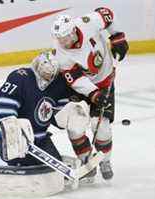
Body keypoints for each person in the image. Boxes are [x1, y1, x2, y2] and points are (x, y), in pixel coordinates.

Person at [0, 51, 93, 199]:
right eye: (44, 71)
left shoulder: (58, 85)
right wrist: (11, 126)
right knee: (35, 174)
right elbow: (4, 101)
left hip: (40, 141)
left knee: (53, 173)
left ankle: (26, 168)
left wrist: (72, 113)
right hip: (10, 140)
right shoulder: (20, 77)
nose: (46, 76)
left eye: (50, 74)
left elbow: (57, 117)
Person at [51, 7, 129, 180]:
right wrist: (94, 94)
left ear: (73, 32)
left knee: (101, 127)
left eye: (65, 38)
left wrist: (117, 37)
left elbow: (106, 13)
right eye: (59, 39)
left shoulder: (87, 23)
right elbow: (76, 80)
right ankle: (86, 162)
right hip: (81, 89)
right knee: (75, 127)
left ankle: (105, 160)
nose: (62, 42)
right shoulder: (61, 55)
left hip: (105, 80)